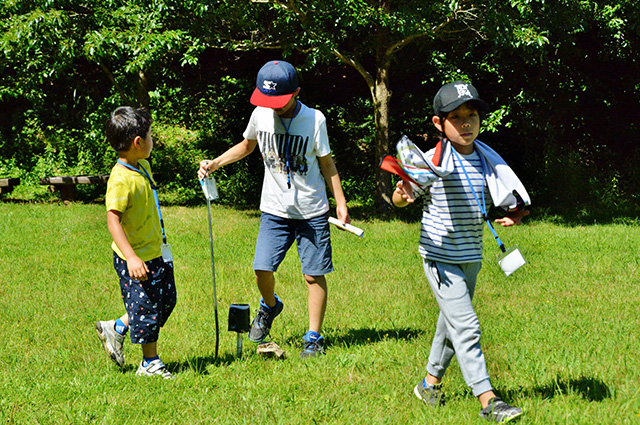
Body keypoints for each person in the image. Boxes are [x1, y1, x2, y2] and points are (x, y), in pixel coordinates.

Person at [392, 81, 529, 422]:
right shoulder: (430, 161)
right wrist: (403, 194)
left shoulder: (486, 159)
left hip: (471, 255)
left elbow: (502, 193)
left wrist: (511, 214)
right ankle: (489, 401)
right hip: (440, 257)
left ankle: (428, 385)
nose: (466, 123)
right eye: (456, 117)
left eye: (472, 115)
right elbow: (402, 195)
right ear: (439, 124)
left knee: (450, 326)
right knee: (466, 326)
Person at [198, 60, 349, 358]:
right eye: (268, 101)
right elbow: (246, 146)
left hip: (311, 210)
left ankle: (313, 336)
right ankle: (270, 305)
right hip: (274, 209)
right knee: (261, 267)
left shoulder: (315, 120)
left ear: (296, 93)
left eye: (279, 101)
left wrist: (340, 202)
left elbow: (327, 163)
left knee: (313, 274)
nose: (274, 107)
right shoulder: (260, 114)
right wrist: (216, 162)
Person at [96, 106, 177, 378]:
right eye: (151, 136)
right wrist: (131, 257)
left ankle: (117, 327)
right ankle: (149, 363)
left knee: (165, 301)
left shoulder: (142, 166)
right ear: (137, 142)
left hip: (156, 251)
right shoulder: (120, 180)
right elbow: (113, 221)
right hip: (136, 258)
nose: (154, 140)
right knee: (148, 309)